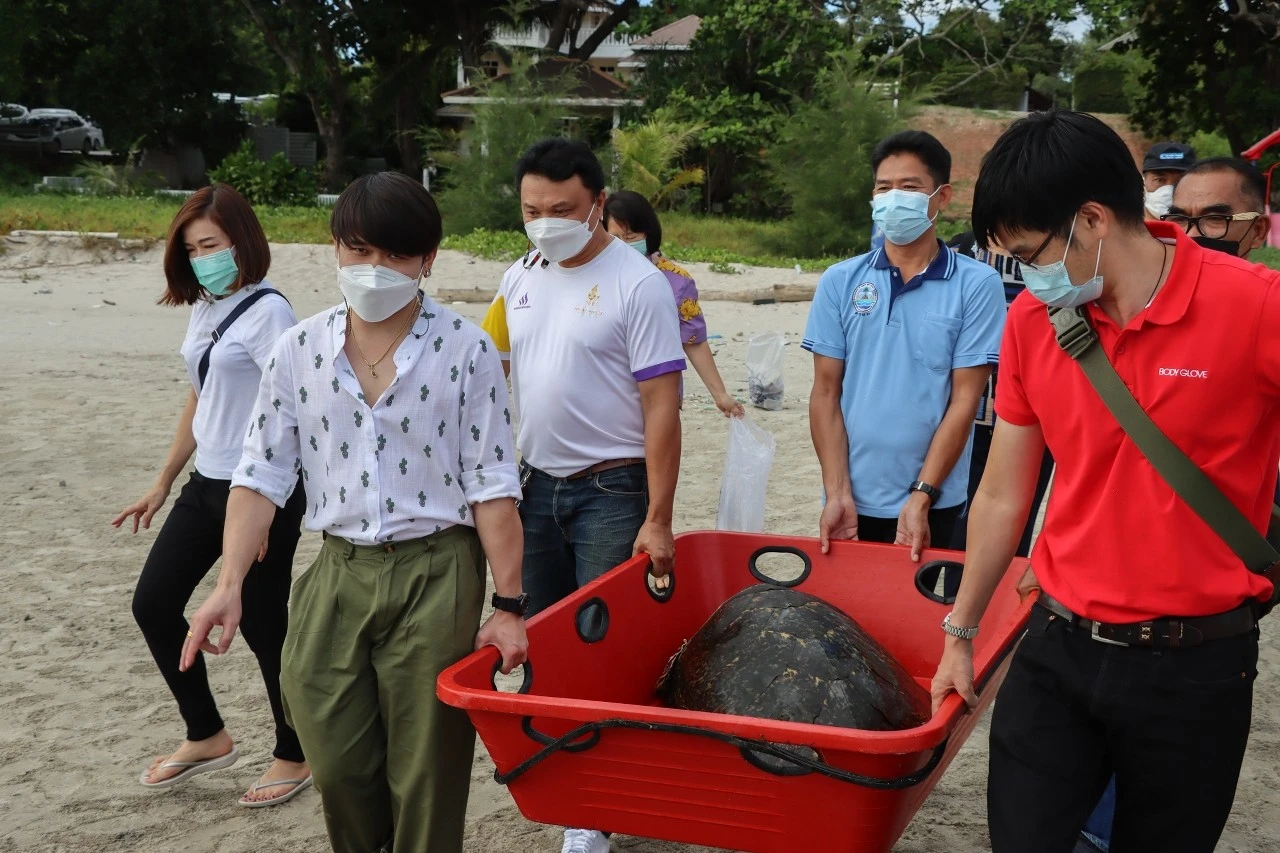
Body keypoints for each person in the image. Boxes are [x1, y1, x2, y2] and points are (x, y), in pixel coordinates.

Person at [930, 109, 1279, 853]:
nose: (1025, 275)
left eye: (1029, 252)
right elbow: (1001, 492)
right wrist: (960, 630)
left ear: (1091, 219)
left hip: (1196, 666)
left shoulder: (1253, 306)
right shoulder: (1032, 320)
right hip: (1057, 645)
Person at [181, 172, 528, 853]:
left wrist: (509, 602)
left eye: (396, 254)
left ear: (428, 258)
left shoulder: (466, 350)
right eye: (361, 250)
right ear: (336, 248)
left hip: (438, 570)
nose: (375, 269)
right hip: (337, 569)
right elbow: (260, 474)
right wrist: (228, 584)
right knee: (336, 760)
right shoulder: (299, 350)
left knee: (426, 770)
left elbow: (492, 484)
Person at [481, 138, 684, 853]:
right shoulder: (519, 276)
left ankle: (597, 808)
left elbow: (663, 405)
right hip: (535, 488)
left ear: (598, 202)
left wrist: (657, 517)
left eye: (562, 209)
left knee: (607, 648)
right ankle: (574, 783)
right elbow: (488, 374)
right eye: (532, 209)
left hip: (613, 488)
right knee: (542, 640)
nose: (546, 222)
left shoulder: (638, 283)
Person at [1072, 154, 1278, 853]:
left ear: (1257, 224)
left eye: (1217, 216)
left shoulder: (1260, 305)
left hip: (1216, 589)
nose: (1196, 231)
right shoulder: (1114, 303)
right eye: (1183, 216)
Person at [112, 184, 310, 806]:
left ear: (242, 242)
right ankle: (206, 733)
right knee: (154, 603)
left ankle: (295, 751)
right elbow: (201, 396)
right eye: (193, 248)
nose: (203, 258)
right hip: (208, 484)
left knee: (263, 623)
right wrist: (163, 480)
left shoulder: (269, 313)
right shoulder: (206, 307)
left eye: (213, 245)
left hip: (264, 489)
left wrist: (275, 510)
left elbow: (296, 410)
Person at [804, 130, 1006, 560]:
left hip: (932, 500)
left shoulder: (977, 284)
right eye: (883, 187)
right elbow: (825, 393)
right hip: (849, 499)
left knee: (919, 617)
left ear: (942, 195)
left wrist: (922, 494)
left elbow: (965, 401)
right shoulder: (841, 280)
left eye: (909, 187)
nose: (894, 198)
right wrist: (836, 490)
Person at [945, 230, 1055, 558]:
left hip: (1034, 418)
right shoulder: (959, 250)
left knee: (1011, 529)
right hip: (962, 417)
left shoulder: (1058, 254)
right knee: (953, 530)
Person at [603, 189, 745, 418]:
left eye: (631, 238)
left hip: (657, 399)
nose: (623, 245)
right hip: (603, 395)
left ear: (648, 233)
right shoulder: (594, 278)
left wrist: (721, 395)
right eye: (615, 238)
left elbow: (693, 340)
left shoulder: (676, 281)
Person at [1141, 140, 1195, 219]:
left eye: (1180, 181)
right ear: (1144, 182)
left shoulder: (1207, 229)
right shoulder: (1126, 227)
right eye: (1159, 180)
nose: (1169, 191)